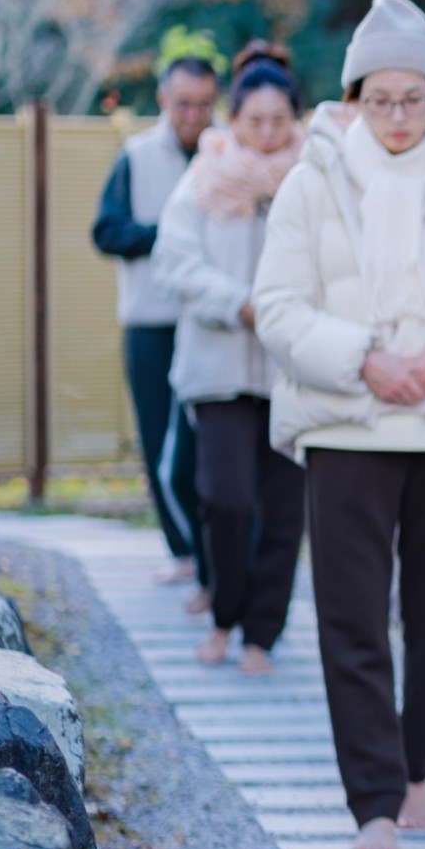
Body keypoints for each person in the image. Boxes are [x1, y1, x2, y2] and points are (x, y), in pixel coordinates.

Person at [253, 0, 425, 849]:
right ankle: (374, 802)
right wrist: (365, 357)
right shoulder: (312, 180)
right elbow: (278, 307)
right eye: (380, 98)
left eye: (414, 99)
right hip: (345, 424)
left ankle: (419, 767)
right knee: (350, 616)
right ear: (352, 98)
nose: (397, 116)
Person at [154, 43, 308, 675]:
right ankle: (224, 614)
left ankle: (259, 636)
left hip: (291, 370)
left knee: (283, 510)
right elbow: (176, 263)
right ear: (233, 118)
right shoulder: (203, 177)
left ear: (294, 119)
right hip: (217, 367)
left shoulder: (315, 177)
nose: (268, 133)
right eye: (255, 120)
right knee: (225, 498)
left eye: (279, 121)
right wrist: (240, 303)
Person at [93, 55, 218, 606]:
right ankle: (182, 554)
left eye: (205, 104)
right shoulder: (136, 156)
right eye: (184, 103)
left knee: (207, 447)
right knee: (157, 439)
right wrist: (170, 236)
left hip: (212, 322)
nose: (194, 115)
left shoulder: (229, 153)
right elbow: (107, 230)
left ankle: (213, 558)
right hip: (151, 322)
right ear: (165, 100)